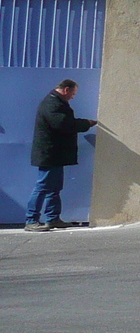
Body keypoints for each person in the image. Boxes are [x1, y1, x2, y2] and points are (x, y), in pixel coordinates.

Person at [26, 79, 96, 232]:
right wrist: (86, 123)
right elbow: (63, 124)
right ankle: (31, 220)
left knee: (54, 187)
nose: (73, 96)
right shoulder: (52, 104)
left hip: (55, 154)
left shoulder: (56, 102)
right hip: (49, 154)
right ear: (66, 90)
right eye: (73, 93)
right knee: (43, 186)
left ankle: (52, 218)